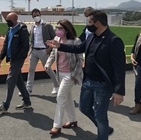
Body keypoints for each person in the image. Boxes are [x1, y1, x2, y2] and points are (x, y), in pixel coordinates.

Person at [47, 10, 126, 140]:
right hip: (88, 81)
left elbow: (119, 68)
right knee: (84, 108)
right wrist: (60, 45)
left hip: (102, 85)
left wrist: (119, 91)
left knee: (100, 116)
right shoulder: (91, 37)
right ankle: (105, 129)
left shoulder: (113, 40)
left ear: (98, 23)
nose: (87, 25)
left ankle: (103, 134)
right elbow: (78, 48)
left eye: (89, 22)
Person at [44, 19, 84, 137]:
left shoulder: (75, 41)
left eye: (60, 28)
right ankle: (72, 120)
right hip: (60, 73)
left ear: (67, 30)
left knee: (60, 97)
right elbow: (53, 53)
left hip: (69, 75)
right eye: (57, 28)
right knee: (67, 97)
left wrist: (74, 75)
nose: (58, 30)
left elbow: (80, 60)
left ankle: (57, 125)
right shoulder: (57, 39)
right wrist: (48, 63)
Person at [0, 12, 32, 113]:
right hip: (11, 59)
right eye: (6, 20)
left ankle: (5, 106)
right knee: (18, 80)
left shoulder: (22, 30)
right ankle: (27, 101)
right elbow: (6, 44)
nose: (7, 22)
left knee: (10, 80)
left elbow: (25, 47)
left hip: (17, 59)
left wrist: (18, 57)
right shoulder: (9, 29)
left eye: (9, 20)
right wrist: (0, 58)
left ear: (15, 20)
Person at [24, 8, 59, 96]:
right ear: (32, 16)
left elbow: (54, 37)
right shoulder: (33, 27)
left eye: (37, 15)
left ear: (40, 15)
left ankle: (56, 86)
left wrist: (49, 49)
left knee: (48, 69)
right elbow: (32, 39)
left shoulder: (47, 25)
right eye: (34, 15)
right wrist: (30, 49)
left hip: (44, 51)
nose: (36, 17)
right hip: (34, 50)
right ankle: (28, 89)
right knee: (31, 70)